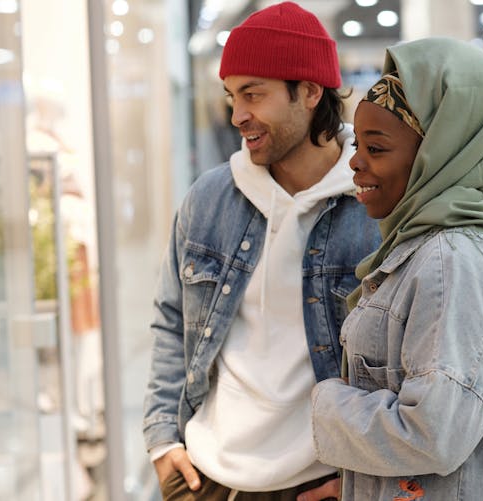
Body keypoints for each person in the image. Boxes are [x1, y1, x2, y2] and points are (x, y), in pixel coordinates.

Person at [310, 38, 483, 500]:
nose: (355, 161)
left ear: (440, 154)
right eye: (357, 142)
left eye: (377, 147)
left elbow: (433, 433)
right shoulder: (421, 251)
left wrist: (326, 405)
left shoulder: (453, 264)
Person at [142, 2, 381, 500]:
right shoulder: (209, 199)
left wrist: (363, 478)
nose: (237, 115)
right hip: (206, 479)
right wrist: (163, 439)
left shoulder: (374, 204)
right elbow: (171, 318)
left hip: (321, 483)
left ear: (311, 92)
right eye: (231, 95)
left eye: (253, 94)